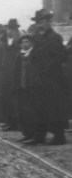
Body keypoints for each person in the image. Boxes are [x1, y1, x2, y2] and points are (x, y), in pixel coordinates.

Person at [26, 8, 67, 145]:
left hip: (52, 79)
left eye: (42, 22)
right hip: (38, 80)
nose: (39, 25)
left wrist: (47, 69)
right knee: (38, 108)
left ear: (49, 22)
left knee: (53, 108)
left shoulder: (55, 37)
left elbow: (61, 56)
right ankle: (39, 135)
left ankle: (59, 136)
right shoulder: (36, 38)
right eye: (37, 22)